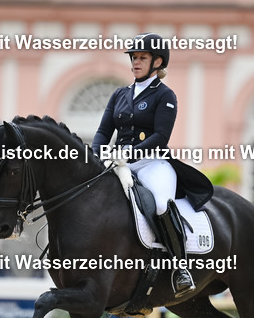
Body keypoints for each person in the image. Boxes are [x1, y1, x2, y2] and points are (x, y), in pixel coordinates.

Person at [91, 32, 213, 298]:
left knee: (159, 204)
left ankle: (181, 268)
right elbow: (103, 131)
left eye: (141, 57)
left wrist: (129, 154)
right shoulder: (119, 94)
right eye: (133, 57)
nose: (135, 62)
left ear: (157, 62)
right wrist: (96, 154)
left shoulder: (165, 95)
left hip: (152, 163)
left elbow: (160, 137)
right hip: (119, 163)